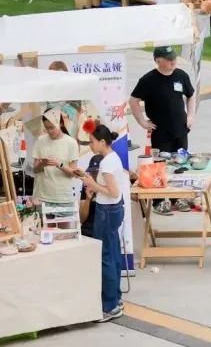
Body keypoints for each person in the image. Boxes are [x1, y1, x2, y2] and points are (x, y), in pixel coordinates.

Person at [130, 46, 196, 214]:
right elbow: (133, 100)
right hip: (161, 132)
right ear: (158, 61)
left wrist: (190, 116)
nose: (173, 61)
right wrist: (142, 122)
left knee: (180, 164)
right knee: (159, 166)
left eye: (174, 58)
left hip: (180, 129)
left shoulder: (181, 75)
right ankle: (159, 201)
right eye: (169, 59)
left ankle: (178, 197)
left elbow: (191, 96)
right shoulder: (148, 80)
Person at [74, 124, 124, 322]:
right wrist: (90, 180)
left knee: (105, 257)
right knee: (113, 254)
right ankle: (116, 299)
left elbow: (113, 192)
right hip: (114, 209)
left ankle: (110, 306)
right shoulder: (112, 159)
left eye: (92, 142)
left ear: (102, 142)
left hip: (107, 211)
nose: (91, 145)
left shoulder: (106, 164)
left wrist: (93, 185)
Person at [31, 108, 79, 206]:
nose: (49, 131)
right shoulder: (40, 141)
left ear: (60, 124)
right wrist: (42, 164)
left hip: (64, 198)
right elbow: (35, 170)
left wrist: (59, 164)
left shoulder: (71, 143)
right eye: (46, 128)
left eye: (52, 127)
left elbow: (73, 174)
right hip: (43, 197)